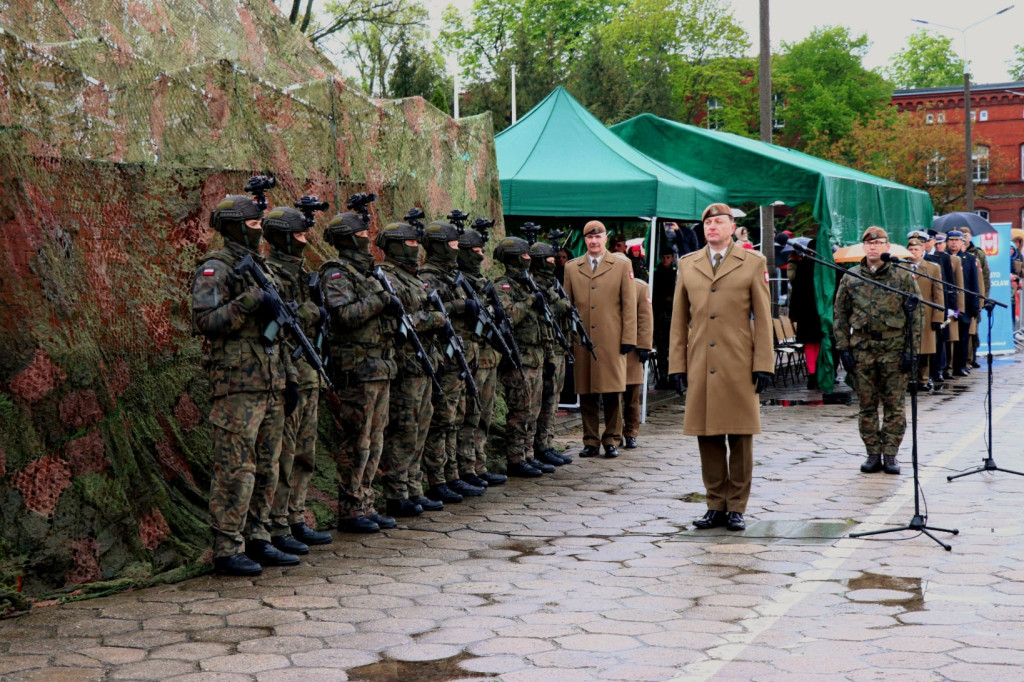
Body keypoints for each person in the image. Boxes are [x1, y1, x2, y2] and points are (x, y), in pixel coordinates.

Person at [192, 195, 300, 576]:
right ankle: (227, 546)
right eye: (253, 225)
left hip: (270, 382)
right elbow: (205, 322)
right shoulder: (215, 269)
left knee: (268, 467)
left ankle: (258, 536)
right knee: (236, 469)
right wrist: (250, 301)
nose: (259, 232)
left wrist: (289, 379)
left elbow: (279, 334)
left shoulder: (263, 268)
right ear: (235, 228)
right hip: (236, 386)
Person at [668, 203, 773, 532]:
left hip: (739, 361)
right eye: (708, 223)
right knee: (708, 435)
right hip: (701, 361)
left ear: (731, 227)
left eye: (719, 222)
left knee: (740, 436)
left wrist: (764, 363)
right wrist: (677, 364)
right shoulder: (688, 264)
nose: (712, 227)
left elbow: (764, 318)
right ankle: (715, 504)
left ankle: (736, 506)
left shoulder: (752, 262)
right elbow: (678, 320)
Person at [319, 210, 399, 533]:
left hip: (380, 367)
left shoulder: (370, 273)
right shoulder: (336, 273)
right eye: (362, 235)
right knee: (358, 440)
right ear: (348, 240)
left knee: (375, 439)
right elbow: (345, 316)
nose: (367, 240)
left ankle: (366, 501)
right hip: (358, 370)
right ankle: (351, 507)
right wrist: (381, 301)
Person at [262, 207, 333, 550]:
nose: (305, 242)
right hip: (287, 374)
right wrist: (310, 311)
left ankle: (295, 517)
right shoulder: (270, 275)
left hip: (309, 372)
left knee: (305, 454)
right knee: (284, 456)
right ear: (282, 238)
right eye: (299, 236)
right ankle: (277, 525)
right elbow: (274, 331)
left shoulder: (305, 276)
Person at [833, 226, 922, 476]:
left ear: (887, 246)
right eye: (869, 244)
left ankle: (890, 453)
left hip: (894, 348)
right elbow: (840, 315)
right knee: (867, 404)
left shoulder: (901, 277)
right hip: (862, 348)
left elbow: (916, 315)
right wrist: (843, 348)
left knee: (895, 404)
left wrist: (912, 350)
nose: (873, 247)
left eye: (879, 243)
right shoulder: (851, 277)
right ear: (864, 247)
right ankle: (873, 452)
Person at [377, 222, 447, 516]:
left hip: (424, 363)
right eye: (409, 243)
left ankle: (414, 488)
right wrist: (436, 319)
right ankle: (396, 492)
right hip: (406, 366)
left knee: (421, 427)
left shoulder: (413, 278)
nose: (416, 248)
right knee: (404, 430)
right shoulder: (388, 277)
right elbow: (402, 320)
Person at [418, 221, 486, 501]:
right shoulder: (428, 276)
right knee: (443, 420)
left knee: (457, 417)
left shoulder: (452, 276)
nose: (457, 250)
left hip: (462, 356)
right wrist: (459, 306)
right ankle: (437, 479)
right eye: (453, 245)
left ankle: (453, 474)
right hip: (445, 358)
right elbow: (425, 311)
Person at [563, 220, 637, 459]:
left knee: (613, 392)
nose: (594, 241)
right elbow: (567, 306)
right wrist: (568, 339)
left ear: (606, 238)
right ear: (585, 240)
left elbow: (629, 305)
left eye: (598, 237)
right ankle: (590, 440)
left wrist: (629, 338)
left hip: (611, 339)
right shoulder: (572, 268)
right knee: (586, 393)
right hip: (583, 340)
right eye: (589, 237)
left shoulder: (621, 265)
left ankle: (612, 439)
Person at [454, 227, 509, 488]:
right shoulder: (456, 280)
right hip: (469, 357)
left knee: (484, 415)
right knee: (470, 415)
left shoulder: (478, 280)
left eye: (481, 251)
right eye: (474, 251)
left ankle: (479, 464)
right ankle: (465, 468)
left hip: (487, 356)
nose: (480, 256)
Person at [494, 236, 549, 477]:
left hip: (535, 355)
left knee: (533, 409)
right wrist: (530, 301)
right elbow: (509, 317)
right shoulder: (504, 286)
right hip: (519, 357)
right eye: (524, 255)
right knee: (520, 410)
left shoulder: (527, 283)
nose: (529, 259)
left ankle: (528, 453)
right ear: (514, 258)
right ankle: (515, 457)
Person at [531, 239, 574, 467]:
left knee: (553, 399)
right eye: (549, 259)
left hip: (557, 346)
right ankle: (537, 447)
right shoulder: (534, 284)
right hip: (543, 348)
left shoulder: (551, 284)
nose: (553, 263)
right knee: (542, 400)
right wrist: (561, 306)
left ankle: (546, 443)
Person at [616, 253, 653, 449]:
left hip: (633, 351)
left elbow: (645, 319)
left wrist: (644, 346)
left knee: (631, 397)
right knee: (614, 397)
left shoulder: (639, 287)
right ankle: (614, 433)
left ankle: (631, 432)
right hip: (613, 348)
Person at [905, 231, 945, 392]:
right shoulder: (901, 267)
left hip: (926, 314)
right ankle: (909, 378)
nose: (913, 252)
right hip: (907, 314)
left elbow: (938, 294)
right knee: (909, 348)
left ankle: (923, 378)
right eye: (911, 249)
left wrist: (938, 317)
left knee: (925, 349)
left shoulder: (932, 268)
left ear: (923, 250)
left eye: (916, 249)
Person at [786, 243, 823, 390]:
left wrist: (794, 315)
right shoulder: (822, 267)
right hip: (819, 312)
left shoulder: (802, 266)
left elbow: (795, 292)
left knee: (809, 344)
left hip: (804, 313)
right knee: (818, 343)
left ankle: (812, 374)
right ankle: (818, 373)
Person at [946, 231, 980, 377]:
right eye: (951, 240)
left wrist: (975, 304)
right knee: (948, 338)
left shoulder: (970, 258)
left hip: (965, 303)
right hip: (949, 302)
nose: (953, 243)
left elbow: (974, 282)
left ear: (962, 242)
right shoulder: (943, 257)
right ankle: (947, 367)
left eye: (956, 240)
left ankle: (960, 366)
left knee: (963, 337)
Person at [960, 226, 989, 368]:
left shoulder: (978, 253)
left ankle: (972, 357)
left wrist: (983, 299)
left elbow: (984, 278)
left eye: (966, 234)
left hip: (974, 296)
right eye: (962, 234)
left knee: (973, 329)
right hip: (961, 298)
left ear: (970, 235)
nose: (964, 236)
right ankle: (965, 359)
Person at [652, 251, 677, 387]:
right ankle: (663, 376)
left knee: (673, 347)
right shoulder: (656, 274)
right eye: (663, 257)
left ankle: (674, 376)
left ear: (672, 258)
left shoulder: (676, 273)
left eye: (668, 257)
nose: (666, 260)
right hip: (660, 315)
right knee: (661, 348)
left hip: (673, 314)